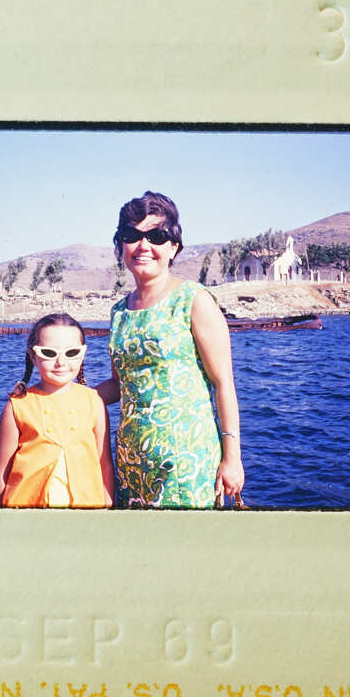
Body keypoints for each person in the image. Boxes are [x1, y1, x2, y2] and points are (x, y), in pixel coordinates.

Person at [96, 191, 245, 508]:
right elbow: (120, 385)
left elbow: (223, 383)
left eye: (156, 236)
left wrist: (232, 458)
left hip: (187, 464)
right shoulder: (119, 312)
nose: (143, 246)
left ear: (173, 246)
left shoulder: (193, 300)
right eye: (132, 236)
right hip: (132, 463)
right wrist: (64, 396)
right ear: (121, 245)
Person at [0, 313, 115, 508]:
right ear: (33, 356)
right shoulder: (16, 407)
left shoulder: (94, 402)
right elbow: (3, 473)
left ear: (82, 355)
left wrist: (108, 507)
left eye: (71, 352)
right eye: (49, 353)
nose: (61, 362)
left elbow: (105, 464)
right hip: (27, 513)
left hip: (86, 512)